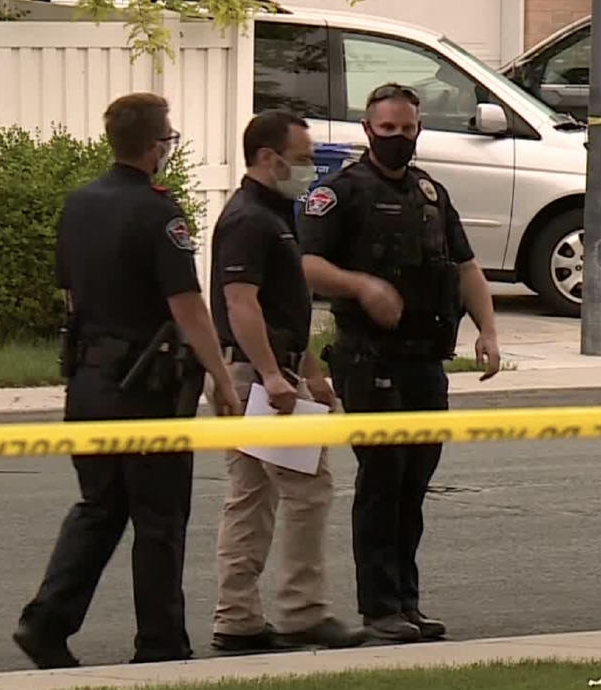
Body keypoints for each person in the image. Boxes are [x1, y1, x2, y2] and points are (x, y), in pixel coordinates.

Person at [14, 92, 242, 669]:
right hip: (146, 391)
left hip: (89, 382)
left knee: (100, 505)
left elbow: (71, 294)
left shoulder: (78, 204)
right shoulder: (158, 212)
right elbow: (188, 307)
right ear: (155, 146)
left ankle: (46, 623)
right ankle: (161, 645)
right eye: (169, 138)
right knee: (159, 518)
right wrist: (222, 377)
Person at [298, 82, 502, 643]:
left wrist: (487, 330)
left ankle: (406, 603)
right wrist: (361, 285)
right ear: (368, 131)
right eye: (387, 130)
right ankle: (379, 608)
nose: (397, 139)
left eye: (406, 129)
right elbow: (305, 264)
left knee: (414, 483)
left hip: (424, 361)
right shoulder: (340, 193)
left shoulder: (431, 194)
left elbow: (465, 267)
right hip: (369, 360)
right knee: (382, 480)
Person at [205, 109, 369, 654]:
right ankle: (302, 612)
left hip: (266, 371)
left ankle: (238, 618)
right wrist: (276, 377)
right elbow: (240, 302)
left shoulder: (271, 214)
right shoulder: (251, 219)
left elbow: (285, 307)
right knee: (307, 490)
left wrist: (312, 374)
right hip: (262, 377)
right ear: (268, 158)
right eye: (300, 160)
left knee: (250, 497)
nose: (308, 169)